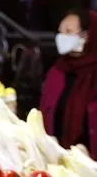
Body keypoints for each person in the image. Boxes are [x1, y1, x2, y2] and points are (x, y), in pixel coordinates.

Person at [40, 9, 97, 156]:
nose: (61, 37)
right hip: (58, 157)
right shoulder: (58, 69)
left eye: (68, 31)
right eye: (60, 32)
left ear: (87, 35)